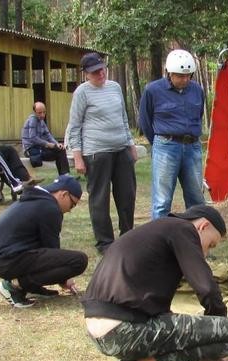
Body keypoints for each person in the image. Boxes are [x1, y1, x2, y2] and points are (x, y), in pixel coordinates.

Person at [80, 205, 228, 361]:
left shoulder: (157, 231)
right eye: (210, 245)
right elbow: (207, 288)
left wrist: (200, 350)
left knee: (178, 325)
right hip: (124, 329)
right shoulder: (183, 229)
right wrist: (218, 327)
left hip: (102, 332)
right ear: (203, 226)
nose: (206, 254)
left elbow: (158, 313)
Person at [0, 174, 88, 308]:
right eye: (72, 204)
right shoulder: (49, 208)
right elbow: (51, 248)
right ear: (63, 194)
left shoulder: (36, 200)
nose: (70, 210)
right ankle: (14, 286)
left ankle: (31, 286)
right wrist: (64, 278)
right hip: (7, 259)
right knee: (79, 261)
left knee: (47, 256)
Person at [68, 52, 137, 254]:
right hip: (96, 153)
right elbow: (74, 126)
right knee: (100, 198)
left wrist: (130, 144)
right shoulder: (82, 93)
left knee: (127, 195)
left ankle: (128, 236)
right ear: (86, 74)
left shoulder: (115, 87)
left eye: (102, 69)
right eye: (95, 72)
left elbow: (123, 118)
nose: (100, 74)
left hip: (121, 149)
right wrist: (78, 157)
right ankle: (105, 243)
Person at [139, 49, 206, 219]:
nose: (185, 80)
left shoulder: (197, 89)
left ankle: (197, 238)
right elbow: (146, 121)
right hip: (166, 146)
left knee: (197, 199)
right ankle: (160, 241)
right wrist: (160, 142)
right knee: (162, 201)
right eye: (180, 76)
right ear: (169, 73)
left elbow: (198, 116)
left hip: (192, 147)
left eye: (188, 76)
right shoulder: (153, 90)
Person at [21, 102, 70, 175]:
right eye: (39, 113)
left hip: (40, 147)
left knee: (61, 150)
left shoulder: (41, 121)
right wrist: (48, 144)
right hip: (31, 149)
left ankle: (65, 176)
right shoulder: (33, 120)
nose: (42, 115)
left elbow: (48, 135)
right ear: (34, 112)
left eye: (44, 112)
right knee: (58, 153)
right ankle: (64, 176)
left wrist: (57, 144)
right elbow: (33, 138)